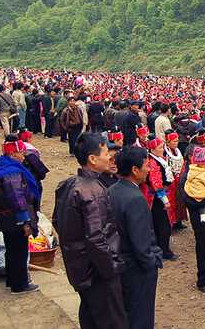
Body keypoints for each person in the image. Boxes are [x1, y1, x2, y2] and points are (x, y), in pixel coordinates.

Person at [53, 132, 127, 329]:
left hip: (80, 270)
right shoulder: (92, 191)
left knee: (90, 317)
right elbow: (96, 238)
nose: (109, 157)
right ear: (92, 159)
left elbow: (56, 221)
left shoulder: (69, 184)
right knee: (112, 321)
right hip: (97, 273)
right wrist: (111, 267)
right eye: (105, 153)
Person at [108, 146, 163, 329]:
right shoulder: (135, 198)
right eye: (146, 166)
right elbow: (141, 243)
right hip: (136, 269)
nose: (149, 170)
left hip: (121, 264)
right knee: (141, 315)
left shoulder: (112, 190)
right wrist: (152, 263)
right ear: (134, 170)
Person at [0, 135, 40, 294]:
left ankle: (12, 280)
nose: (23, 156)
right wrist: (25, 221)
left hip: (5, 218)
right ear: (12, 154)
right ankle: (20, 284)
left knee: (11, 250)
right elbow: (17, 198)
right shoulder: (11, 173)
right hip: (15, 219)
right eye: (20, 153)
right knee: (19, 251)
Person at [181, 145, 205, 294]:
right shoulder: (188, 176)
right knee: (204, 246)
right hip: (199, 218)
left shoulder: (202, 173)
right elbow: (189, 199)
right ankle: (203, 280)